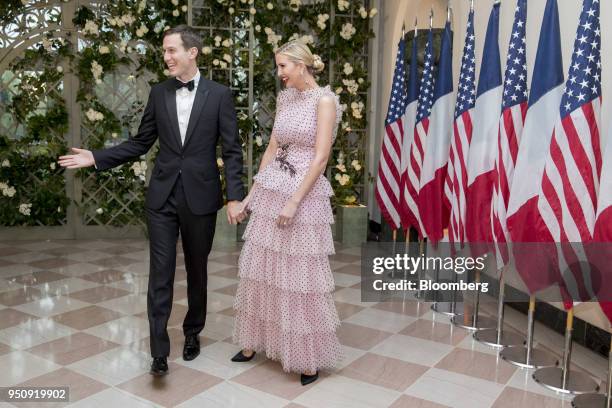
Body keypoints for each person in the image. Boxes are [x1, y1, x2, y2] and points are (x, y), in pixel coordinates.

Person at [58, 25, 245, 376]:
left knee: (197, 270)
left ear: (193, 52)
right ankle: (159, 350)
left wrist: (235, 196)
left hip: (201, 197)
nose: (166, 57)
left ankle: (193, 332)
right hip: (161, 198)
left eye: (172, 51)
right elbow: (141, 142)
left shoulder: (219, 95)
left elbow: (232, 151)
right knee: (160, 273)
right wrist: (97, 157)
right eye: (164, 51)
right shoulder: (159, 93)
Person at [230, 40, 343, 386]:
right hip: (272, 187)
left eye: (283, 66)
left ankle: (308, 358)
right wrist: (251, 196)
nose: (279, 73)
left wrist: (294, 201)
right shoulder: (286, 98)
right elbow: (272, 149)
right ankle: (254, 343)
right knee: (261, 268)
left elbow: (321, 157)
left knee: (300, 275)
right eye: (278, 66)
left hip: (303, 195)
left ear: (301, 65)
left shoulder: (324, 101)